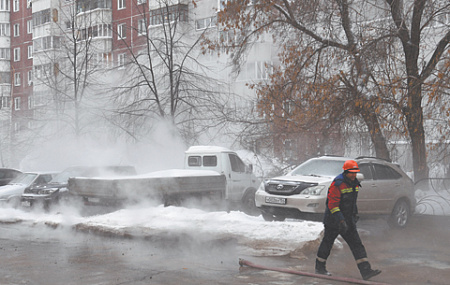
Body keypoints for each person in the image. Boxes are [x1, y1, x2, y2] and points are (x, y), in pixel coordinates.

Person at [315, 159, 381, 281]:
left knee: (357, 244)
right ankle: (319, 267)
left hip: (348, 220)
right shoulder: (337, 184)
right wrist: (341, 221)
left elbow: (352, 202)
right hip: (333, 221)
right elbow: (332, 205)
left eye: (355, 172)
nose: (354, 175)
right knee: (327, 243)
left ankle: (366, 271)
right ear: (345, 172)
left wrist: (354, 215)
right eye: (351, 172)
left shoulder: (354, 183)